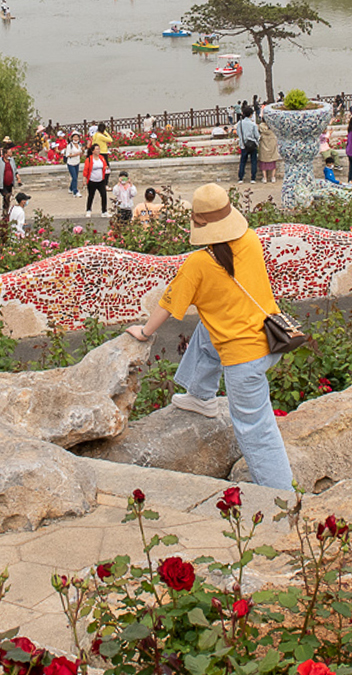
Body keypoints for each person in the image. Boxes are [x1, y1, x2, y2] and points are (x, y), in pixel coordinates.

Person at [121, 184, 295, 490]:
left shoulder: (199, 263)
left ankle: (281, 496)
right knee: (207, 329)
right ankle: (201, 396)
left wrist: (144, 332)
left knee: (256, 430)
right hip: (271, 338)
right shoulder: (251, 240)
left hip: (244, 359)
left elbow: (169, 303)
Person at [85, 144, 110, 214]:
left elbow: (105, 165)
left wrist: (106, 168)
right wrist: (84, 179)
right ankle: (88, 210)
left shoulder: (101, 158)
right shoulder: (89, 159)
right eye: (96, 149)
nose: (98, 151)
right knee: (91, 195)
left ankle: (104, 211)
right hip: (92, 180)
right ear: (93, 151)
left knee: (104, 195)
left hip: (101, 180)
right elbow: (86, 170)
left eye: (99, 149)